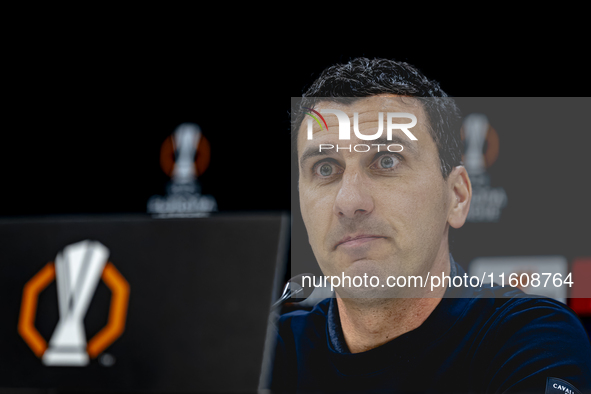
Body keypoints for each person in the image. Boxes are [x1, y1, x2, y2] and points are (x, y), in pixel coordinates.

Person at [269, 58, 591, 393]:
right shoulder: (269, 352)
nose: (348, 201)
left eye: (386, 160)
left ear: (457, 196)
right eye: (324, 168)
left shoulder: (528, 338)